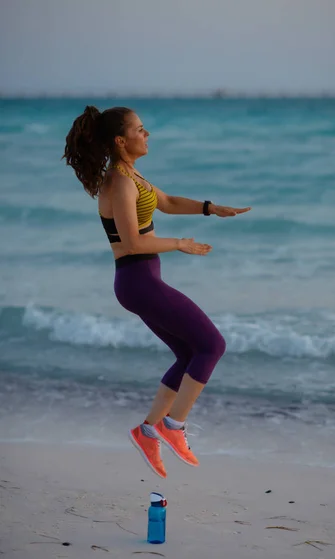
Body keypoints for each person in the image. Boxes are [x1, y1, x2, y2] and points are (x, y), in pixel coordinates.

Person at [63, 105, 251, 478]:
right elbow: (132, 242)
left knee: (187, 353)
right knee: (212, 346)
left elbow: (165, 203)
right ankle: (173, 426)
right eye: (141, 130)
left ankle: (148, 430)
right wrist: (178, 243)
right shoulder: (118, 182)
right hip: (137, 281)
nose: (147, 135)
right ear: (121, 140)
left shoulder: (131, 174)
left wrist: (211, 208)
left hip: (142, 282)